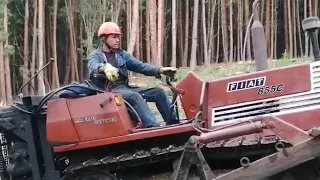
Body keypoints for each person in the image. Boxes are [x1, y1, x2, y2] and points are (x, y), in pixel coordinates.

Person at [87, 21, 179, 128]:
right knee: (135, 96)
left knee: (158, 92)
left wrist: (161, 70)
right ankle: (153, 127)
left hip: (124, 89)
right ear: (103, 39)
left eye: (118, 37)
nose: (118, 40)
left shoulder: (122, 55)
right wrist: (104, 67)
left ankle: (174, 125)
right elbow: (93, 66)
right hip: (108, 92)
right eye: (114, 37)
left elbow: (141, 66)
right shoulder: (95, 55)